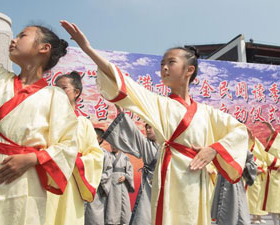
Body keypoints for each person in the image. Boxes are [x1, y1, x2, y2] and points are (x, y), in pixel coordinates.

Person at [60, 20, 248, 225]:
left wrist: (213, 150)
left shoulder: (207, 113)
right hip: (170, 176)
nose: (164, 67)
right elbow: (123, 82)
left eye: (171, 62)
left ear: (189, 70)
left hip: (197, 179)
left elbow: (239, 131)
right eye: (162, 64)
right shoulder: (158, 103)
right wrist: (87, 49)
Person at [0, 26, 78, 225]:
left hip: (26, 183)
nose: (14, 40)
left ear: (44, 48)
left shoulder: (55, 96)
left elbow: (69, 144)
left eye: (22, 35)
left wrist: (33, 158)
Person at [45, 72, 104, 225]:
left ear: (76, 92)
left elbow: (96, 155)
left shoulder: (83, 123)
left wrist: (76, 162)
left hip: (71, 180)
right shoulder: (46, 120)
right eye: (56, 88)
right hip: (47, 177)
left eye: (64, 88)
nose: (58, 92)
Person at [102, 105, 159, 225]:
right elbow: (134, 131)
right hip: (150, 184)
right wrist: (122, 114)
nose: (148, 130)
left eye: (151, 128)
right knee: (146, 214)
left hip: (164, 184)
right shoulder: (146, 145)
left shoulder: (165, 146)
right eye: (146, 127)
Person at [249, 129, 280, 225]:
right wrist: (253, 139)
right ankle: (275, 222)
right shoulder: (266, 153)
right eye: (269, 142)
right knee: (273, 202)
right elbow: (259, 149)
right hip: (272, 179)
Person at [210, 150, 257, 225]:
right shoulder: (221, 145)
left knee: (238, 211)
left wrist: (242, 166)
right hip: (223, 179)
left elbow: (251, 162)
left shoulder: (241, 147)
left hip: (236, 181)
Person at [85, 128, 114, 225]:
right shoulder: (84, 151)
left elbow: (108, 171)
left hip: (96, 189)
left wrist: (96, 178)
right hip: (83, 186)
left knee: (95, 215)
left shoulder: (105, 154)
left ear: (100, 139)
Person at [105, 146, 134, 225]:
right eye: (111, 144)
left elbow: (130, 170)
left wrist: (125, 177)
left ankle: (123, 221)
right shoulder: (108, 155)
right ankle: (111, 221)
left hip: (121, 184)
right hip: (110, 183)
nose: (113, 146)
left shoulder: (125, 157)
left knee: (123, 203)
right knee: (111, 203)